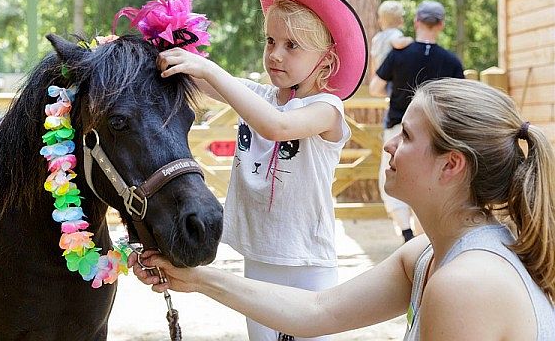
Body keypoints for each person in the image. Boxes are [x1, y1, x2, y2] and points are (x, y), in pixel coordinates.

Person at [131, 78, 555, 340]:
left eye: (406, 136)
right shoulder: (426, 256)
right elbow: (319, 311)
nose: (389, 144)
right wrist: (195, 278)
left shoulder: (466, 284)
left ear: (451, 165)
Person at [154, 0, 367, 341]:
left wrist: (212, 69)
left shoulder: (327, 108)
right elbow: (198, 79)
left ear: (327, 61)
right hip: (259, 255)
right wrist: (163, 49)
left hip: (305, 261)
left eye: (292, 46)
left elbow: (277, 127)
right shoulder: (262, 97)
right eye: (270, 41)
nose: (275, 55)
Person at [369, 0, 464, 243]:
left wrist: (395, 90)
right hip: (434, 132)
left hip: (398, 127)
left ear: (416, 22)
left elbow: (375, 87)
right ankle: (426, 236)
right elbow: (458, 101)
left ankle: (407, 233)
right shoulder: (451, 61)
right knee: (428, 181)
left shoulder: (399, 54)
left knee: (391, 176)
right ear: (441, 25)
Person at [370, 0, 413, 80]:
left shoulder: (376, 37)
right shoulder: (396, 33)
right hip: (389, 75)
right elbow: (398, 44)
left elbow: (373, 60)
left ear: (380, 21)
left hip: (378, 76)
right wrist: (410, 40)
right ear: (401, 21)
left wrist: (373, 78)